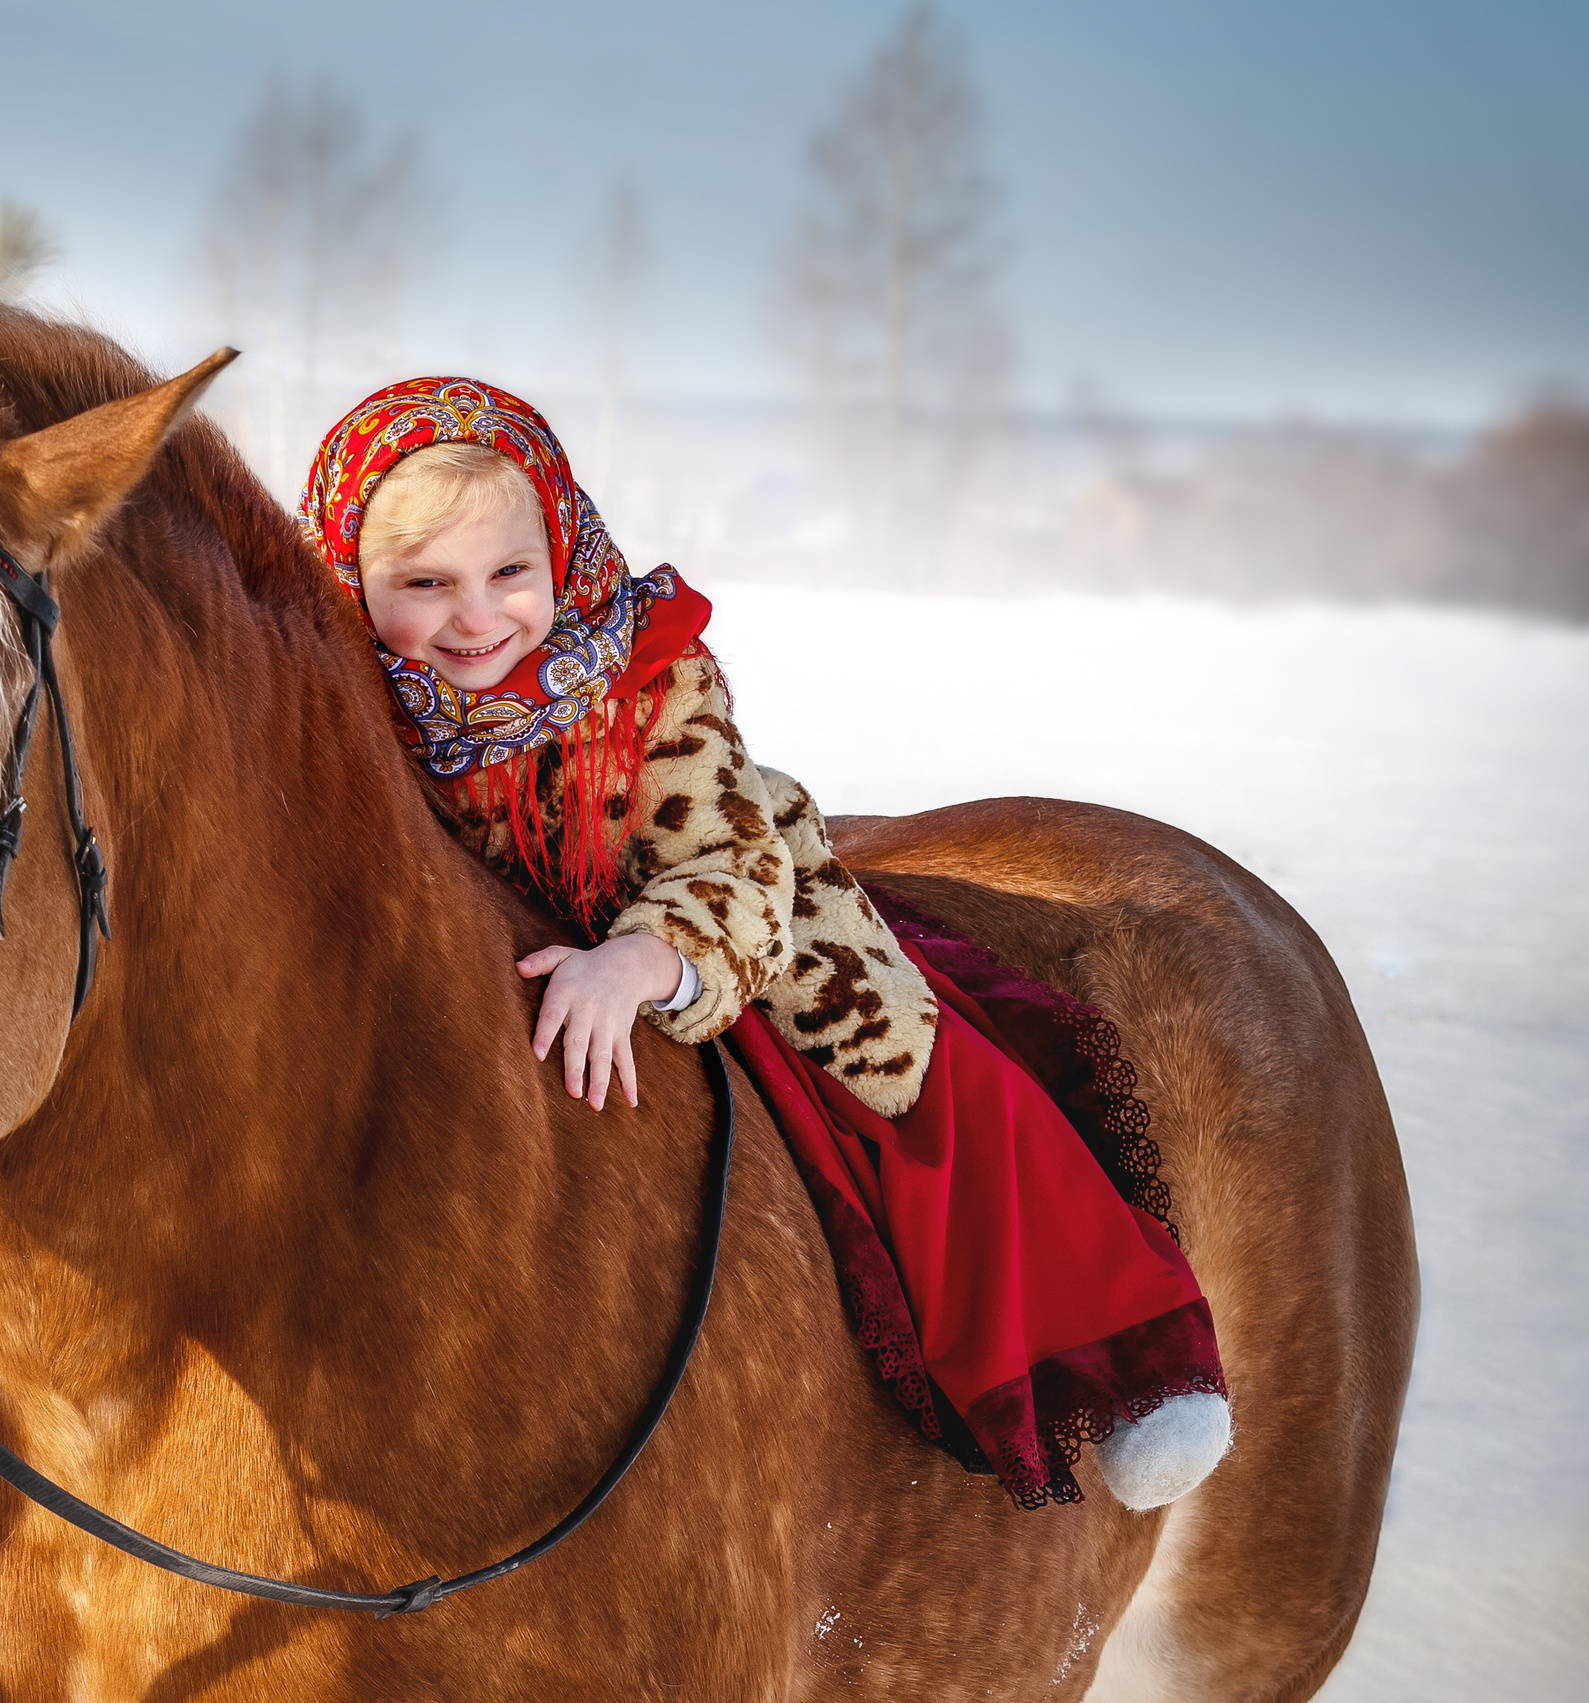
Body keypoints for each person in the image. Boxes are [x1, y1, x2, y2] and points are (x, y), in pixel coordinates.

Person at [299, 377, 1231, 1511]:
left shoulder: (645, 673)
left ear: (560, 553)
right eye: (424, 585)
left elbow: (729, 864)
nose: (475, 617)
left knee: (914, 1081)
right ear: (354, 580)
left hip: (706, 907)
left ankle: (1118, 1354)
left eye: (507, 573)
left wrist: (644, 958)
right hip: (488, 949)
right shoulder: (345, 700)